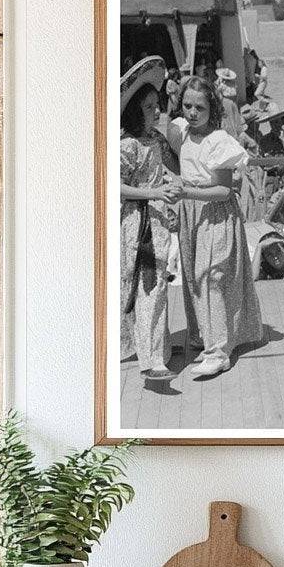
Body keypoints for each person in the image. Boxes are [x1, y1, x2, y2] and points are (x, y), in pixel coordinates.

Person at [167, 75, 264, 378]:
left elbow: (224, 190)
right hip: (190, 214)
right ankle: (203, 335)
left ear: (213, 109)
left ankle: (218, 351)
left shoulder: (220, 142)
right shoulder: (181, 131)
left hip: (216, 213)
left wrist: (186, 191)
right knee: (194, 279)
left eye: (200, 107)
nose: (193, 113)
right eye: (187, 106)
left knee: (210, 276)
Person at [119, 57, 181, 382]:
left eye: (157, 105)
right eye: (148, 107)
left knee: (154, 287)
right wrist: (154, 194)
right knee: (145, 288)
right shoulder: (127, 145)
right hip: (137, 225)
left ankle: (159, 350)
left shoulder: (155, 140)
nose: (156, 112)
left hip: (157, 223)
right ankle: (151, 359)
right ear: (134, 111)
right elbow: (115, 187)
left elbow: (176, 166)